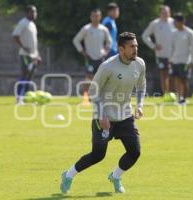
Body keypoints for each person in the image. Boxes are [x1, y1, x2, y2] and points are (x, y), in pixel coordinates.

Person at [61, 32, 146, 194]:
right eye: (131, 46)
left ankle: (115, 176)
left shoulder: (140, 64)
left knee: (135, 151)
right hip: (104, 116)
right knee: (98, 155)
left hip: (125, 116)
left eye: (136, 46)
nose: (135, 49)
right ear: (121, 49)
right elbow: (93, 92)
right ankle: (68, 174)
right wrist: (101, 115)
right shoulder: (108, 66)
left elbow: (141, 87)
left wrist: (140, 104)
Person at [142, 5, 174, 95]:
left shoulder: (174, 22)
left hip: (174, 54)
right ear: (160, 13)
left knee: (172, 75)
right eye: (163, 13)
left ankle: (174, 94)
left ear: (170, 13)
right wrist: (153, 46)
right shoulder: (155, 23)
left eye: (167, 12)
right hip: (161, 54)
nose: (165, 14)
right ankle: (166, 94)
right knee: (163, 74)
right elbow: (145, 36)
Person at [73, 9, 112, 83]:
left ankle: (99, 94)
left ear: (100, 17)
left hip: (100, 57)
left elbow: (109, 41)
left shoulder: (104, 29)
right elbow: (76, 40)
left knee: (101, 77)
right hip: (89, 57)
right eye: (93, 16)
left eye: (97, 16)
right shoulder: (86, 28)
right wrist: (82, 51)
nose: (95, 18)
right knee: (89, 77)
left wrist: (106, 51)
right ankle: (87, 94)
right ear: (90, 17)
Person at [12, 5, 41, 103]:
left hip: (33, 56)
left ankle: (27, 97)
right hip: (25, 55)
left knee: (30, 77)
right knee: (25, 74)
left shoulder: (32, 24)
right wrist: (23, 47)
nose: (34, 14)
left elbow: (34, 42)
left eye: (35, 12)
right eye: (32, 12)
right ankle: (19, 97)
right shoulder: (23, 22)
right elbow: (15, 36)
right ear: (27, 13)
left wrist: (37, 55)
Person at [169, 13, 193, 104]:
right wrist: (170, 59)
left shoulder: (190, 33)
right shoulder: (173, 33)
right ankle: (179, 98)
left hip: (185, 61)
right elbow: (171, 47)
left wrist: (192, 60)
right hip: (175, 60)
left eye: (176, 22)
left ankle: (184, 99)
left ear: (181, 22)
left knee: (184, 80)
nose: (175, 23)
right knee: (176, 80)